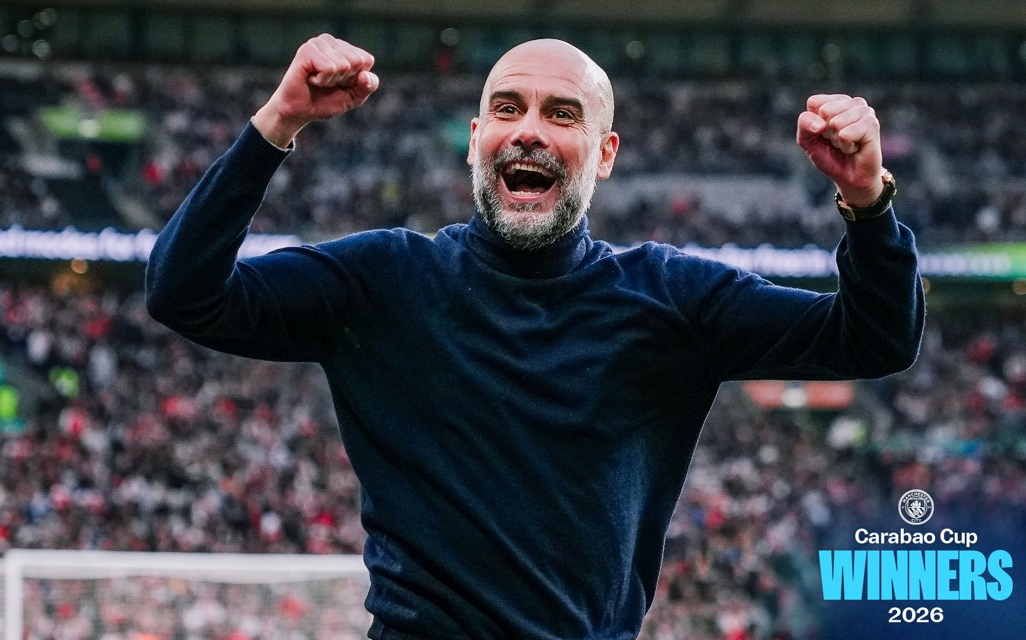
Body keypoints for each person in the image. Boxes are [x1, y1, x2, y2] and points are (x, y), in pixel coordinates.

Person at [146, 34, 924, 640]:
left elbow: (876, 339)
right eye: (509, 109)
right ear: (476, 137)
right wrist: (277, 121)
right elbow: (182, 292)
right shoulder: (383, 282)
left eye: (562, 114)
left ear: (606, 155)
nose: (529, 132)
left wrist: (866, 200)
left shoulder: (672, 299)